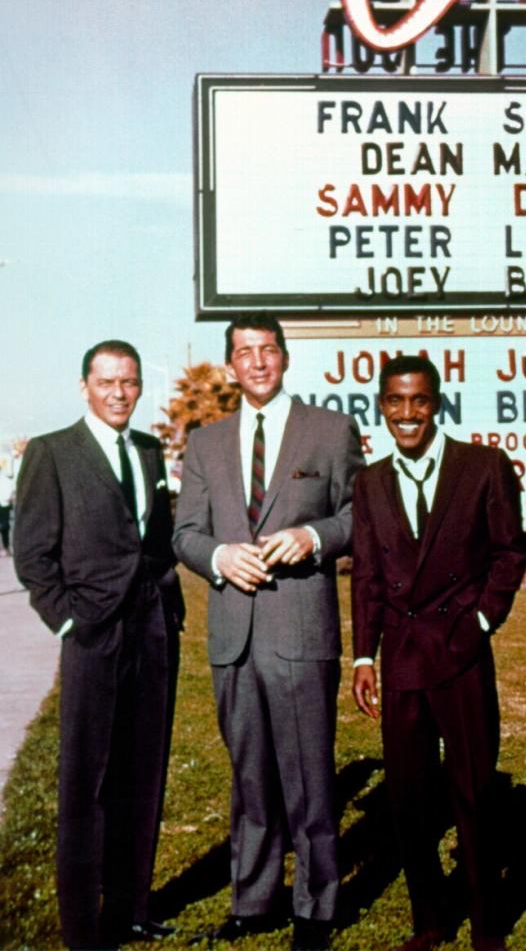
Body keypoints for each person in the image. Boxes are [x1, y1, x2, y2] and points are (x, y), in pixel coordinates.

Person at [174, 313, 364, 951]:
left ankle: (317, 906)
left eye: (267, 350)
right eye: (243, 352)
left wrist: (312, 538)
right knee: (249, 775)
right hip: (233, 634)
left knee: (309, 773)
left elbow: (358, 514)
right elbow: (185, 534)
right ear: (231, 364)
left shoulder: (330, 430)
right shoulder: (204, 443)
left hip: (301, 629)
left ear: (284, 357)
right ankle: (253, 901)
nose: (256, 362)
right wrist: (219, 559)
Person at [351, 355, 526, 951]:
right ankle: (430, 919)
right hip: (401, 656)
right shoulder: (370, 481)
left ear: (437, 402)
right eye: (396, 402)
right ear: (381, 405)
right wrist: (362, 657)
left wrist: (482, 618)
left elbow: (509, 552)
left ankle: (485, 921)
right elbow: (368, 578)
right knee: (408, 796)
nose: (408, 414)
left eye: (419, 401)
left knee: (474, 789)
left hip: (461, 651)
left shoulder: (482, 466)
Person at [14, 340, 184, 950]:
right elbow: (33, 554)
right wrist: (67, 621)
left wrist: (168, 607)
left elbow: (153, 541)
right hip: (92, 636)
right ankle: (84, 928)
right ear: (84, 386)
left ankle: (132, 908)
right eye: (107, 381)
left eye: (130, 382)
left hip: (153, 632)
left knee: (144, 774)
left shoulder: (147, 448)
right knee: (87, 781)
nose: (119, 393)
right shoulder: (52, 452)